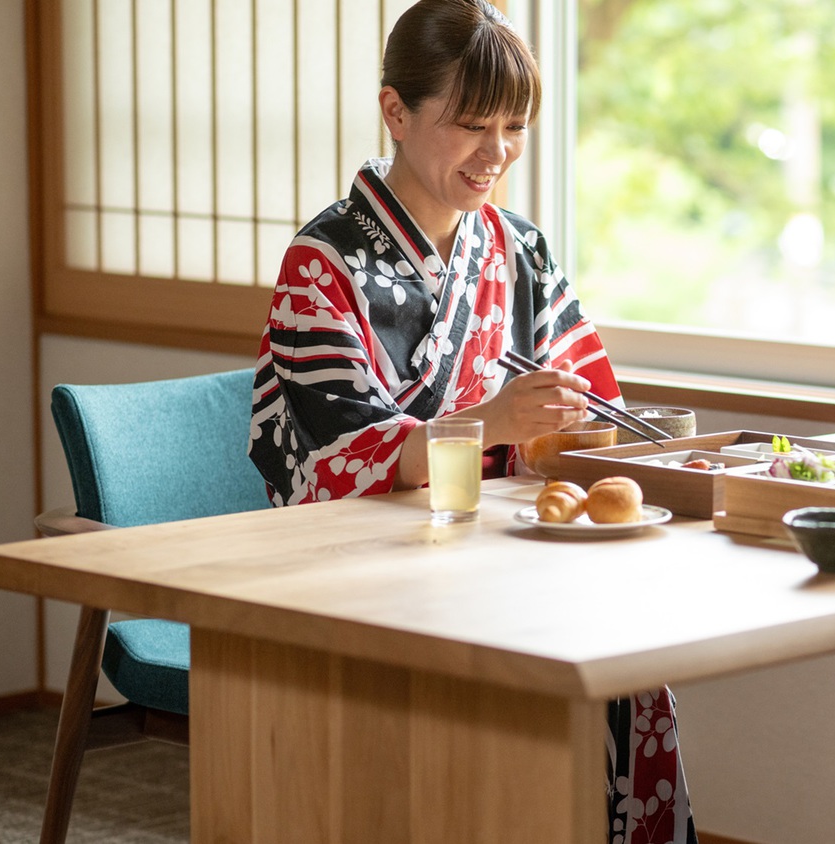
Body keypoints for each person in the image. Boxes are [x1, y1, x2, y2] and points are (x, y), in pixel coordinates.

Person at [246, 3, 697, 841]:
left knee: (631, 673)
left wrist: (577, 428)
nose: (498, 153)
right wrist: (487, 421)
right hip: (355, 567)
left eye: (515, 127)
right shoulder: (323, 262)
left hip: (495, 551)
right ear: (396, 112)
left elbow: (591, 403)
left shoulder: (519, 249)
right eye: (472, 125)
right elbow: (338, 461)